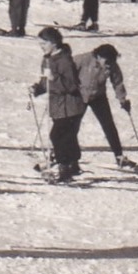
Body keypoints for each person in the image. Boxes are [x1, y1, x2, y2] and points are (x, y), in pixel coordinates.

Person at [30, 27, 86, 182]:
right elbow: (45, 81)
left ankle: (64, 168)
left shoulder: (65, 61)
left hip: (69, 106)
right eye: (40, 43)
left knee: (58, 136)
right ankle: (73, 164)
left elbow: (71, 85)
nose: (41, 46)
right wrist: (38, 88)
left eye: (44, 43)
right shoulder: (47, 59)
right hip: (57, 106)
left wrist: (54, 79)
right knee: (67, 136)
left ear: (54, 43)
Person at [79, 43, 133, 168]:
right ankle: (58, 153)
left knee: (108, 125)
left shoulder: (112, 65)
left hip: (98, 96)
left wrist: (122, 99)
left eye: (112, 61)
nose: (109, 64)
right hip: (79, 96)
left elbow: (117, 82)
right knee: (72, 126)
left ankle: (119, 155)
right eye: (107, 60)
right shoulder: (82, 60)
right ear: (98, 56)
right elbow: (67, 72)